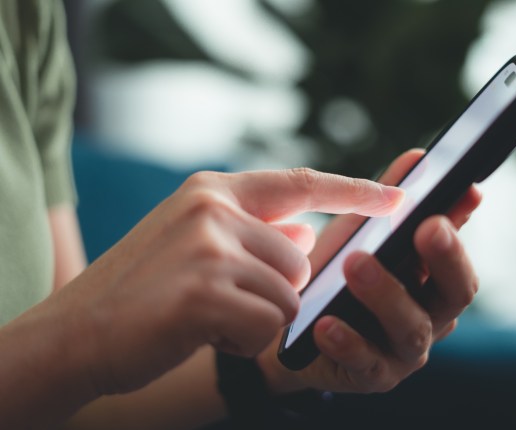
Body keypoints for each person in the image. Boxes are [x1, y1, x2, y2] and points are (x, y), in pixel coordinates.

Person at [0, 1, 481, 429]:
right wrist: (82, 335)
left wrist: (270, 355)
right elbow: (70, 356)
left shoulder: (25, 15)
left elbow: (75, 405)